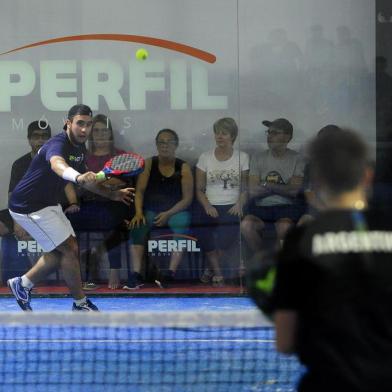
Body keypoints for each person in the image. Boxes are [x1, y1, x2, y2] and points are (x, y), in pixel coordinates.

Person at [271, 129, 392, 391]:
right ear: (367, 175)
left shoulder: (300, 241)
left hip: (326, 384)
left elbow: (285, 342)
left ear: (318, 179)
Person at [7, 104, 134, 311]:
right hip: (27, 206)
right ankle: (80, 303)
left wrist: (113, 194)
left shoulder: (79, 149)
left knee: (64, 250)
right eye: (80, 124)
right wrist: (76, 176)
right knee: (68, 248)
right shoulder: (56, 144)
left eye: (88, 124)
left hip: (48, 204)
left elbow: (87, 182)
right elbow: (58, 164)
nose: (85, 129)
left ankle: (22, 284)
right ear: (68, 123)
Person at [68, 114, 131, 289]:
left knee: (116, 222)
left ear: (110, 134)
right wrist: (98, 183)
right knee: (66, 222)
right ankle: (80, 274)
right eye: (96, 131)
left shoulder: (121, 155)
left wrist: (94, 181)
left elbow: (121, 182)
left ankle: (114, 269)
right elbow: (76, 184)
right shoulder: (81, 156)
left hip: (114, 204)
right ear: (90, 134)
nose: (101, 134)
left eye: (105, 131)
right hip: (86, 204)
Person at [126, 128, 193, 289]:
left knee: (182, 222)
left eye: (169, 142)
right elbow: (139, 191)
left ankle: (170, 273)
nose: (165, 145)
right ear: (156, 145)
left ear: (176, 145)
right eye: (161, 142)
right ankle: (136, 274)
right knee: (137, 224)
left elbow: (187, 199)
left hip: (176, 211)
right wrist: (139, 212)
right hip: (151, 210)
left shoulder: (183, 167)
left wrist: (169, 213)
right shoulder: (149, 163)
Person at [195, 118, 249, 286]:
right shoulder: (205, 157)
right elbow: (199, 189)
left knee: (228, 234)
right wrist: (207, 205)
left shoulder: (243, 157)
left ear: (232, 136)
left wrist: (239, 204)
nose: (219, 136)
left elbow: (246, 189)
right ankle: (217, 272)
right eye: (217, 133)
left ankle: (211, 268)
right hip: (210, 204)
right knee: (201, 229)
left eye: (224, 133)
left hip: (232, 205)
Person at [241, 118, 305, 256]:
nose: (270, 136)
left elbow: (294, 191)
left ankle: (277, 262)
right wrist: (283, 188)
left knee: (285, 227)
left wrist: (265, 184)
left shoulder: (297, 158)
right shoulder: (258, 157)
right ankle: (262, 258)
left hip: (287, 207)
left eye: (275, 133)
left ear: (287, 137)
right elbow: (253, 190)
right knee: (246, 225)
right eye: (269, 132)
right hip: (260, 207)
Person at [0, 121, 53, 281]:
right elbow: (12, 195)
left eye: (44, 137)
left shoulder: (56, 162)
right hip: (22, 210)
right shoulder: (20, 163)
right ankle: (16, 272)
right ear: (29, 139)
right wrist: (17, 221)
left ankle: (29, 273)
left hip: (48, 211)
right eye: (36, 137)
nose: (40, 141)